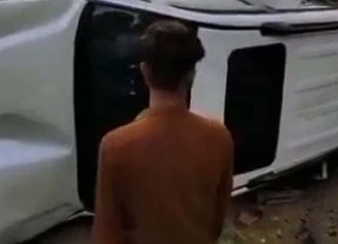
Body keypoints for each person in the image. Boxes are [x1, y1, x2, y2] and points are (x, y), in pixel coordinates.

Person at [92, 20, 234, 244]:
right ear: (192, 74)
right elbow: (216, 219)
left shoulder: (115, 145)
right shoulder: (219, 137)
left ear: (144, 71)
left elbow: (107, 233)